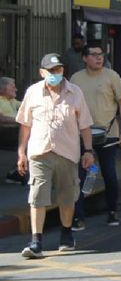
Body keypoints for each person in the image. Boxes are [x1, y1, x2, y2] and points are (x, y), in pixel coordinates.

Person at [16, 53, 95, 258]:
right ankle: (36, 241)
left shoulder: (75, 92)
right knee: (37, 196)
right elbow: (25, 124)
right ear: (42, 72)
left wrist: (88, 150)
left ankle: (66, 234)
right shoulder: (33, 92)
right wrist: (21, 152)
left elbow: (85, 125)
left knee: (67, 197)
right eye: (50, 71)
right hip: (39, 152)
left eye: (58, 70)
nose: (55, 74)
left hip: (68, 153)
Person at [71, 43, 121, 230]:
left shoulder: (111, 76)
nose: (99, 58)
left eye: (101, 54)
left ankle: (112, 211)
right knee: (78, 177)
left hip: (108, 134)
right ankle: (78, 217)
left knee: (109, 174)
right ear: (84, 58)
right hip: (82, 135)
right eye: (94, 54)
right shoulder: (76, 78)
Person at [1, 77, 25, 184]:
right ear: (3, 88)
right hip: (4, 133)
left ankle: (15, 172)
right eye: (13, 87)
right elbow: (1, 118)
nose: (16, 89)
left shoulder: (11, 100)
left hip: (13, 131)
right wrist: (20, 120)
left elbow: (26, 106)